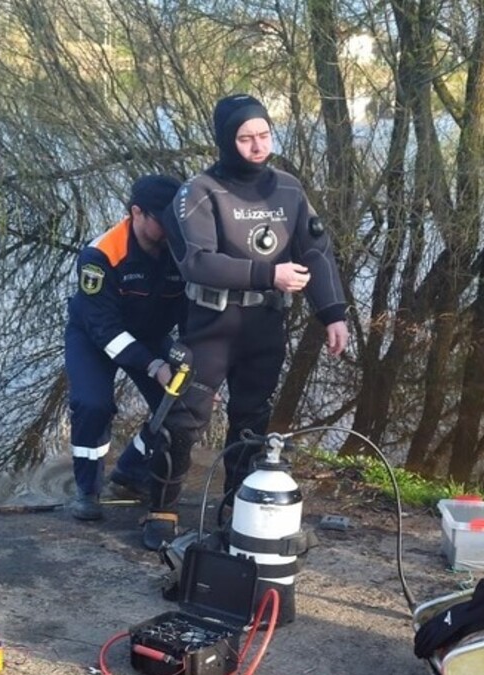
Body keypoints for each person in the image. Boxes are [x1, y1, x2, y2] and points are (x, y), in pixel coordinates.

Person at [141, 93, 350, 550]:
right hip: (211, 324)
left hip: (264, 324)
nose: (258, 147)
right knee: (184, 418)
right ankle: (161, 507)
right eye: (245, 138)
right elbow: (197, 262)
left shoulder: (289, 189)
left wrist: (332, 313)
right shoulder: (199, 191)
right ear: (225, 140)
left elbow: (315, 251)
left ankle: (235, 505)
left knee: (252, 420)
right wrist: (267, 273)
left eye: (264, 136)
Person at [63, 174, 187, 521]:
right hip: (94, 335)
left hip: (150, 334)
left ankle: (131, 473)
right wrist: (153, 366)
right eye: (165, 221)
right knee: (92, 404)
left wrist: (195, 367)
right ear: (137, 213)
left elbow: (193, 315)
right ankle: (88, 490)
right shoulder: (100, 255)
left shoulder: (183, 248)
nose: (173, 229)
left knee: (179, 405)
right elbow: (104, 329)